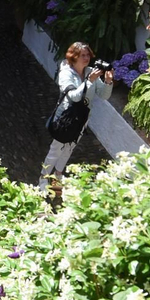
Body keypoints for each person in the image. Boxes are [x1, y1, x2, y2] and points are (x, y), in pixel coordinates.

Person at [39, 42, 113, 193]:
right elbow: (74, 96)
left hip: (81, 118)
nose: (86, 58)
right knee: (56, 149)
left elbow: (104, 95)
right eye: (82, 55)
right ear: (74, 57)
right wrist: (89, 81)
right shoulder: (66, 73)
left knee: (69, 148)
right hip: (66, 117)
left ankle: (58, 175)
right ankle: (43, 177)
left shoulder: (89, 71)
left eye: (88, 55)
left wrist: (108, 81)